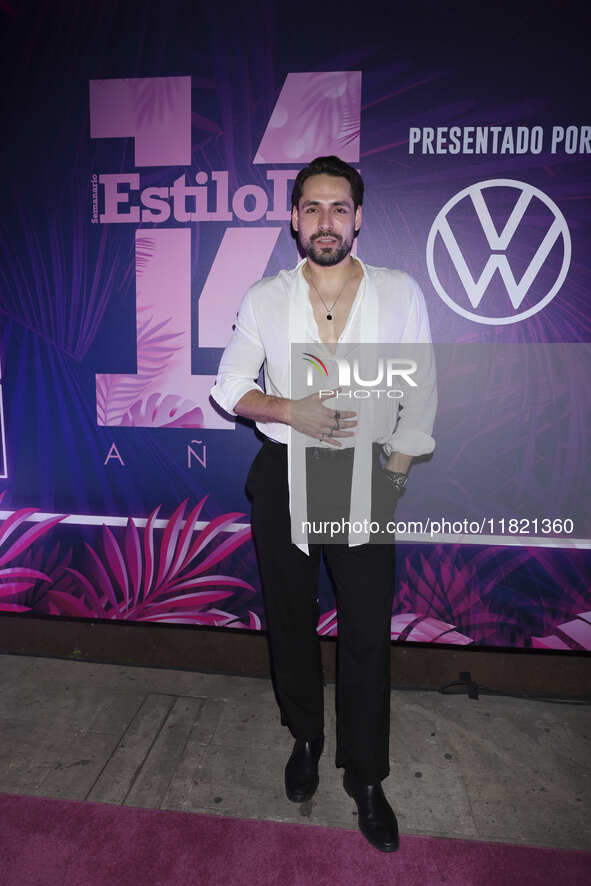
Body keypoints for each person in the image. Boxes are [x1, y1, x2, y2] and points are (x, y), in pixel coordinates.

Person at [211, 155, 436, 852]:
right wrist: (287, 410)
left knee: (366, 635)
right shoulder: (265, 296)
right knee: (289, 621)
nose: (325, 222)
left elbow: (419, 395)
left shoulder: (397, 292)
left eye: (339, 208)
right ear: (293, 218)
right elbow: (227, 386)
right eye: (311, 208)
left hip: (359, 479)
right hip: (281, 472)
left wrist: (390, 479)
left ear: (358, 217)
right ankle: (305, 738)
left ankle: (365, 778)